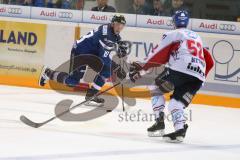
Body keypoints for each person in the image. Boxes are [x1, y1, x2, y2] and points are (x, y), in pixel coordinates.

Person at [129, 10, 214, 142]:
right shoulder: (197, 37)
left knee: (154, 87)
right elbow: (209, 60)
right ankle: (180, 131)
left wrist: (141, 68)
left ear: (174, 21)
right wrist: (202, 78)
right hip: (198, 76)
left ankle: (159, 122)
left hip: (180, 69)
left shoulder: (172, 34)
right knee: (176, 103)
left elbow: (158, 54)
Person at [39, 15, 129, 106]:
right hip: (80, 52)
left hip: (91, 54)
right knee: (72, 82)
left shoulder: (113, 34)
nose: (120, 27)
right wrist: (117, 68)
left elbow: (115, 43)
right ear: (113, 23)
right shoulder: (105, 34)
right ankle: (48, 73)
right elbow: (104, 58)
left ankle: (91, 95)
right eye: (118, 24)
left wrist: (120, 50)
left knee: (106, 71)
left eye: (122, 25)